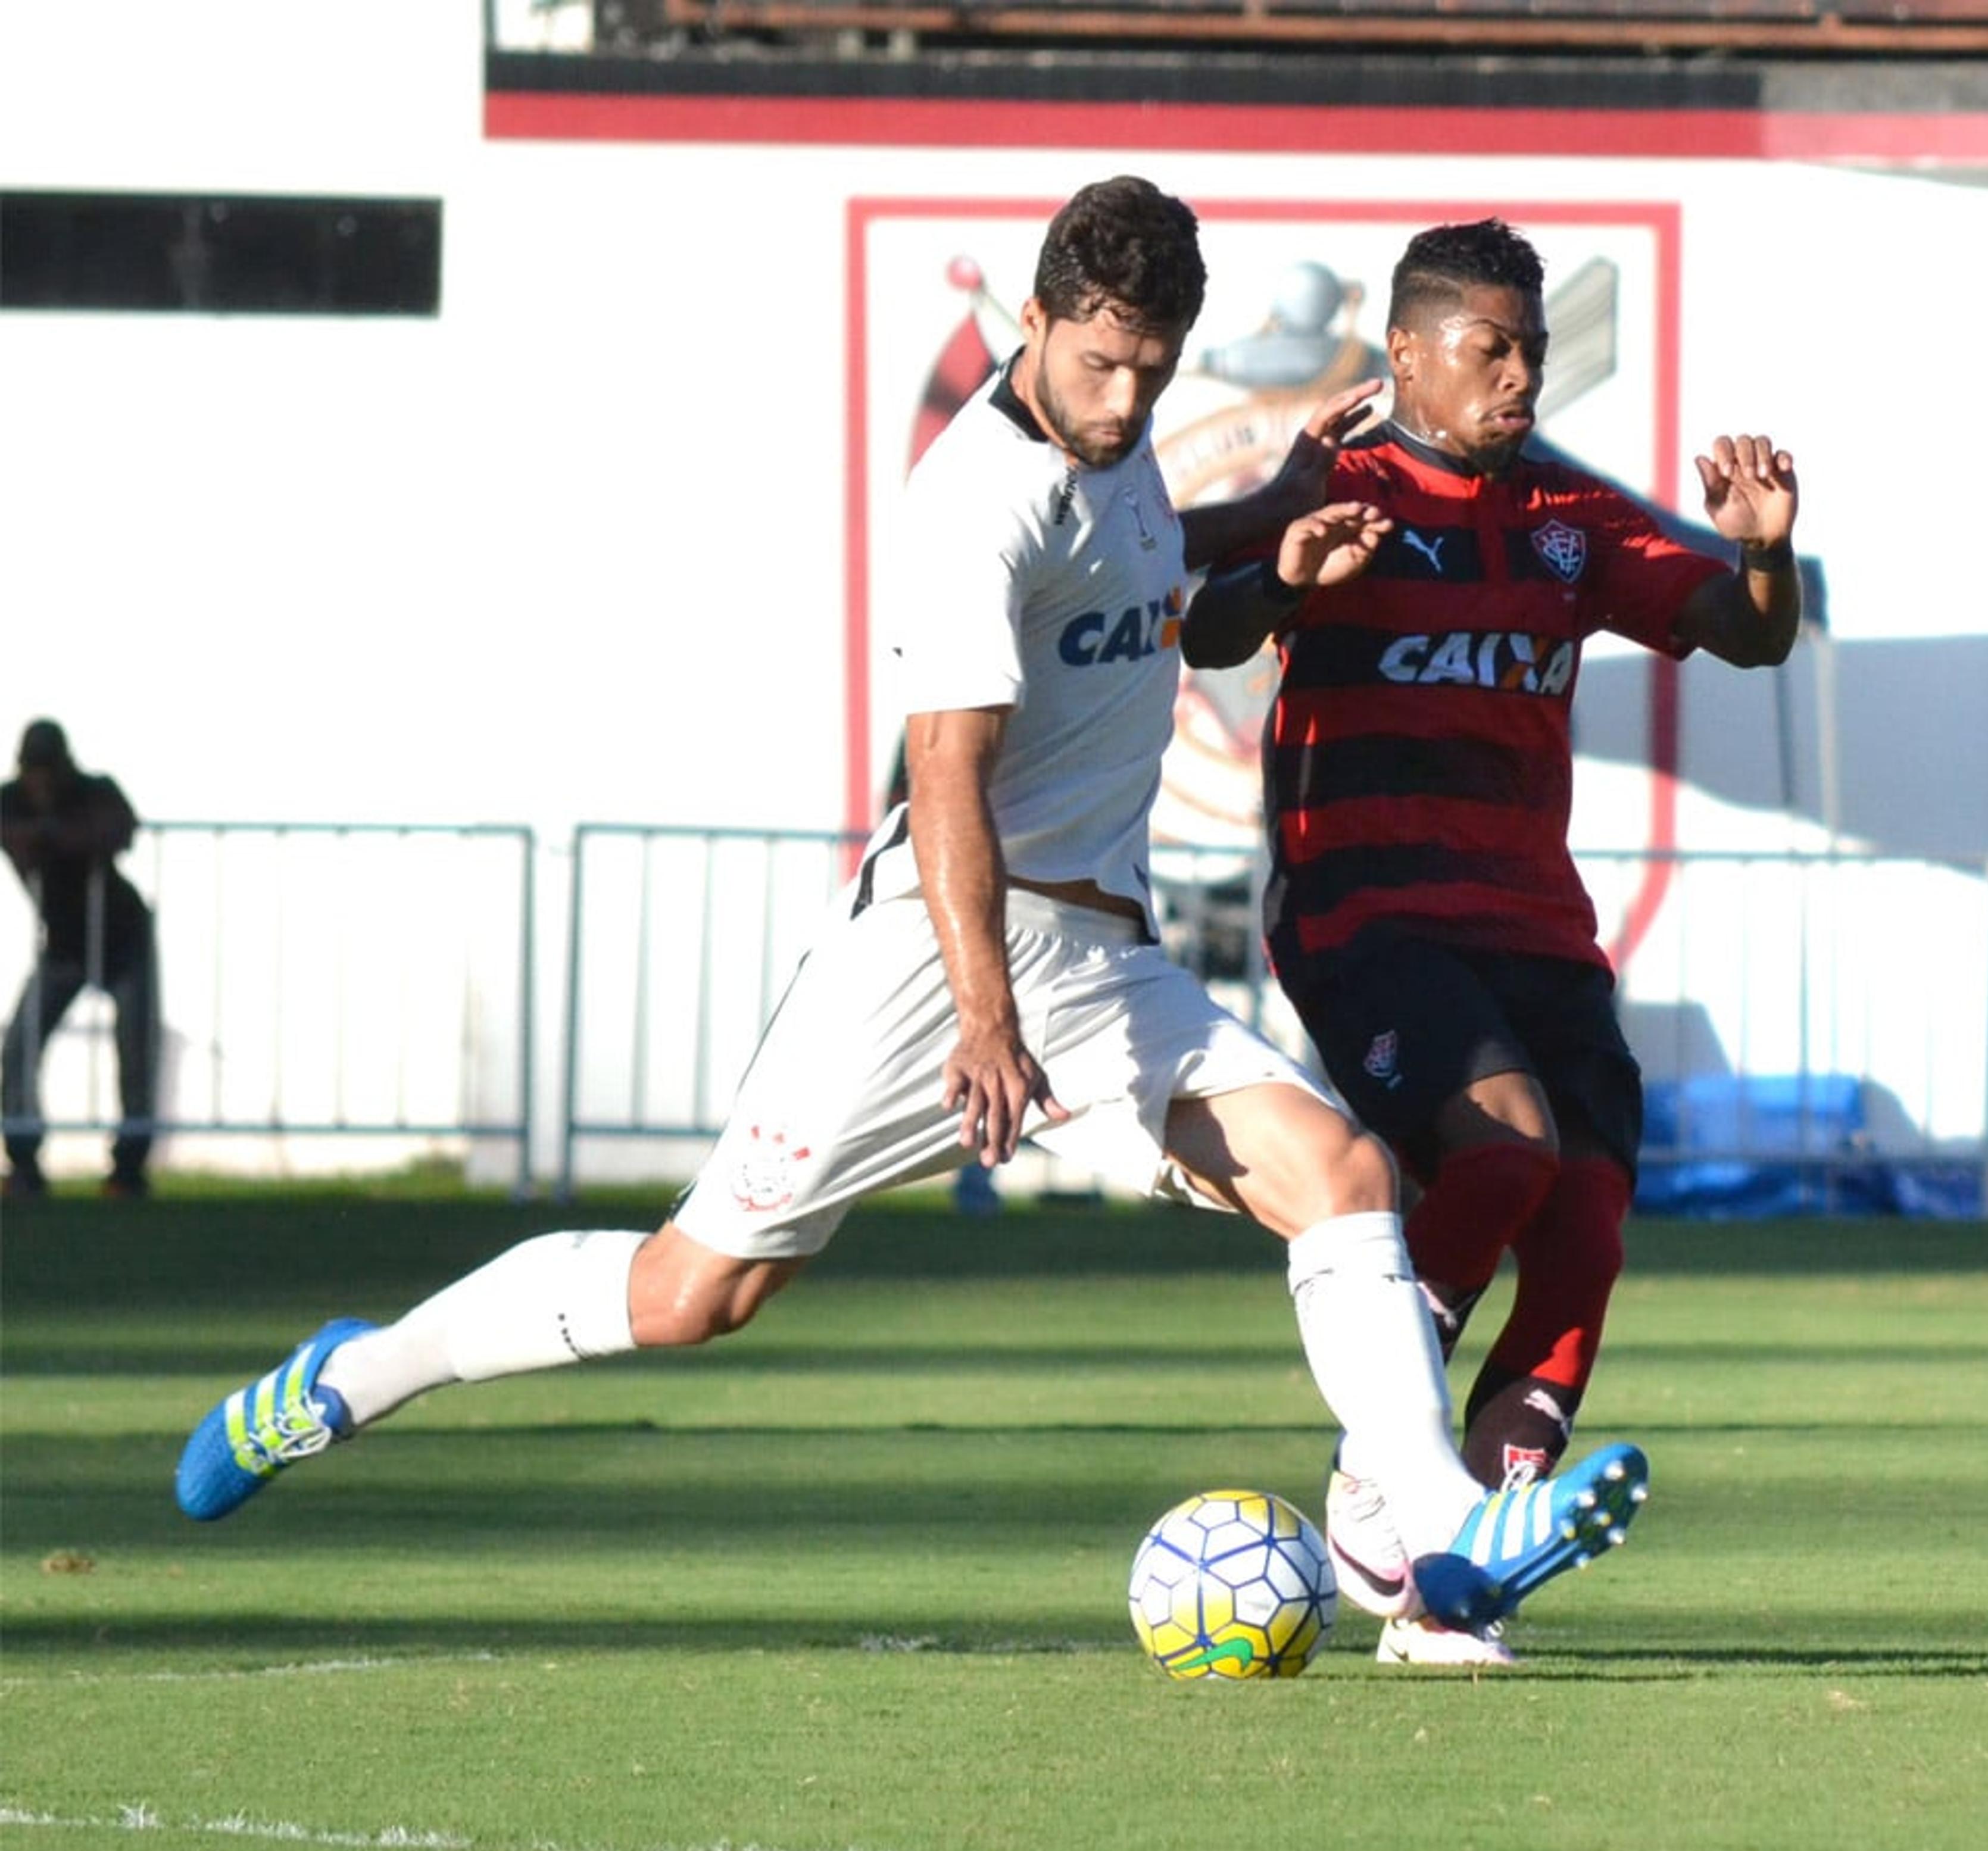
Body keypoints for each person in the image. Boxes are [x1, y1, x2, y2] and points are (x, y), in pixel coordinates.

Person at [174, 179, 1647, 1644]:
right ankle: (360, 1375)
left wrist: (1269, 526)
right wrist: (986, 1023)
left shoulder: (1119, 443)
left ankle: (1436, 1545)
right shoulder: (971, 500)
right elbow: (946, 771)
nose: (1125, 397)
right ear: (1035, 320)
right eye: (1098, 363)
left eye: (1151, 367)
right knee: (694, 1292)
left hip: (1101, 968)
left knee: (1340, 1176)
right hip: (930, 969)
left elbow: (1145, 547)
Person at [1184, 217, 1801, 1663]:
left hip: (1535, 923)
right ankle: (1384, 1467)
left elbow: (1742, 628)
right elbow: (1207, 634)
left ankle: (1465, 1584)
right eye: (1490, 348)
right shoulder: (1339, 483)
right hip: (1362, 907)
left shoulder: (1567, 517)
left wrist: (1763, 560)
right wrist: (1285, 580)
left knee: (1582, 1223)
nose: (1520, 375)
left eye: (1529, 348)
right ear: (1406, 355)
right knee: (1505, 1149)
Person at [1, 719, 160, 1198]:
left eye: (49, 771)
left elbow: (120, 827)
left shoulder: (95, 790)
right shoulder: (11, 799)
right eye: (34, 772)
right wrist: (48, 835)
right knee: (20, 1045)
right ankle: (25, 1166)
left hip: (124, 938)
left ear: (67, 767)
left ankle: (127, 1172)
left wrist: (55, 836)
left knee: (135, 1053)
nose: (42, 782)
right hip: (66, 945)